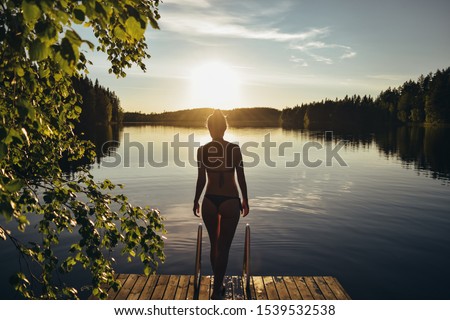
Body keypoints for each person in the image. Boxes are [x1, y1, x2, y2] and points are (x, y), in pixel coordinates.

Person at [193, 109, 249, 300]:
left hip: (209, 200)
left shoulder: (202, 150)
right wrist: (245, 200)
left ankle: (218, 284)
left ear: (209, 128)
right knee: (223, 248)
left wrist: (196, 200)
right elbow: (241, 177)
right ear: (225, 128)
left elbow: (201, 179)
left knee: (214, 245)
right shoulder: (234, 149)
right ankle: (217, 289)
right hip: (230, 201)